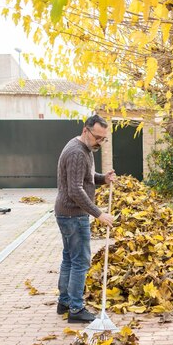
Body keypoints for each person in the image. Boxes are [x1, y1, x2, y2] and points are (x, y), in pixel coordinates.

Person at [55, 114, 116, 323]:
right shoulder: (77, 153)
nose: (99, 142)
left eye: (103, 138)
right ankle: (76, 308)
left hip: (66, 213)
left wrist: (103, 179)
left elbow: (85, 177)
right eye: (97, 137)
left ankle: (64, 302)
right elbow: (75, 189)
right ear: (86, 130)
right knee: (80, 261)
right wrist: (99, 214)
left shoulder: (83, 148)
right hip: (73, 215)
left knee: (69, 259)